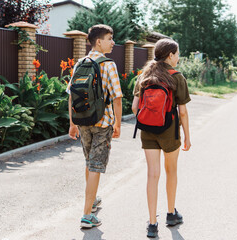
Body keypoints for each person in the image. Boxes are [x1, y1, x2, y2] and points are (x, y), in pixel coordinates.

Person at [131, 38, 191, 238]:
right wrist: (187, 137)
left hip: (147, 130)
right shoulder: (177, 77)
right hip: (169, 131)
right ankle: (171, 214)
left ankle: (152, 223)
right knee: (171, 171)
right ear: (170, 55)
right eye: (177, 53)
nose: (179, 57)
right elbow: (182, 112)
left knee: (152, 175)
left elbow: (134, 107)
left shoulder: (144, 75)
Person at [67, 24, 123, 228]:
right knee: (96, 166)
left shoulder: (80, 63)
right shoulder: (108, 64)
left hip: (82, 122)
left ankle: (92, 201)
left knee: (89, 163)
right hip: (102, 122)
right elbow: (117, 98)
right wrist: (117, 124)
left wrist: (72, 123)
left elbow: (71, 95)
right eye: (110, 38)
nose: (113, 42)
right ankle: (86, 215)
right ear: (98, 42)